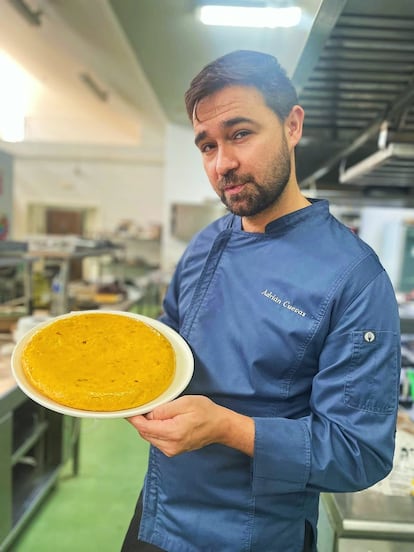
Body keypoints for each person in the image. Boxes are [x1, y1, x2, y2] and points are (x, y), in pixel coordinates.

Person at [121, 50, 401, 552]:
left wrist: (227, 427)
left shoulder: (355, 277)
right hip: (158, 517)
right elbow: (164, 346)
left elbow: (359, 451)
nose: (222, 162)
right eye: (207, 145)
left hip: (253, 535)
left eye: (241, 133)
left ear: (292, 125)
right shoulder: (207, 243)